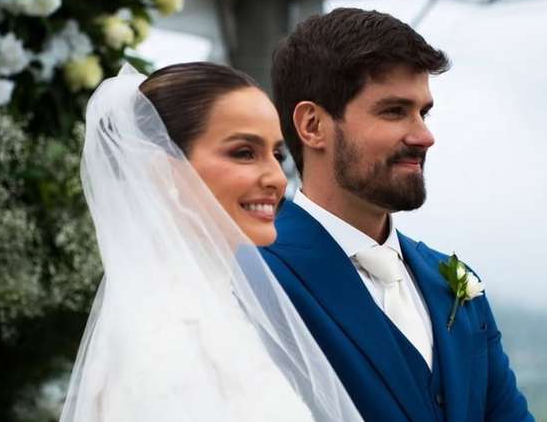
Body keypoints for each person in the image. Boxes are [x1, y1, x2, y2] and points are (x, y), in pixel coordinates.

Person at [260, 8, 535, 421]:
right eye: (393, 111)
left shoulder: (455, 283)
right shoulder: (255, 277)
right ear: (312, 125)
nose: (424, 136)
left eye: (423, 112)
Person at [59, 62, 362, 421]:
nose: (278, 178)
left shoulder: (216, 314)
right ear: (162, 172)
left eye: (277, 155)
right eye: (244, 152)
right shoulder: (162, 345)